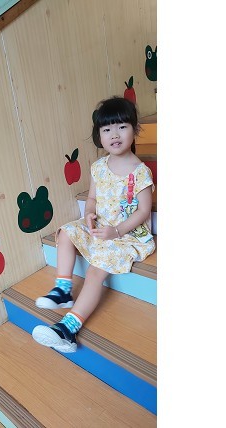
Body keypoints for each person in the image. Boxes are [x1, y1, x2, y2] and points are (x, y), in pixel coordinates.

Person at [32, 96, 155, 353]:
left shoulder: (140, 172)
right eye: (107, 129)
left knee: (94, 271)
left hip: (127, 234)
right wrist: (88, 214)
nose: (115, 134)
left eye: (122, 126)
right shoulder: (98, 167)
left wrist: (116, 231)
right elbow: (91, 199)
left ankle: (68, 329)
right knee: (67, 232)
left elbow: (144, 211)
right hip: (101, 226)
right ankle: (63, 290)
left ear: (134, 129)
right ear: (99, 135)